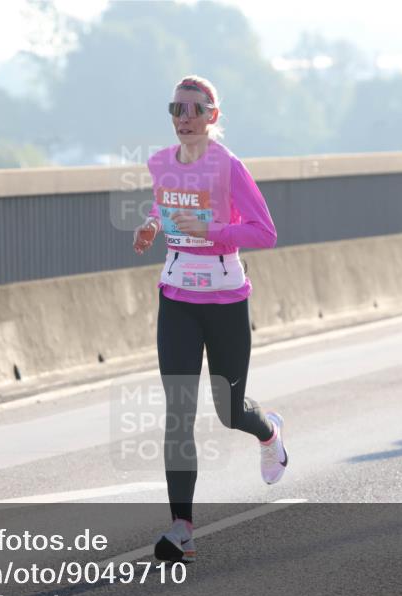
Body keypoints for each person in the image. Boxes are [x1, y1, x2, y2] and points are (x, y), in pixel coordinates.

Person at [132, 75, 288, 564]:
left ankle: (268, 433)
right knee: (179, 411)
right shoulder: (160, 163)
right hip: (177, 296)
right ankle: (182, 529)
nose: (183, 118)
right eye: (175, 108)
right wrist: (153, 225)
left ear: (213, 116)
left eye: (194, 109)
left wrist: (213, 230)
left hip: (225, 300)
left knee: (228, 409)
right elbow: (168, 205)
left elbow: (264, 231)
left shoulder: (228, 166)